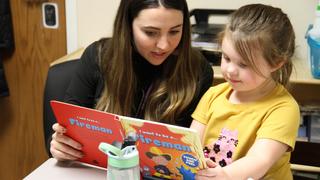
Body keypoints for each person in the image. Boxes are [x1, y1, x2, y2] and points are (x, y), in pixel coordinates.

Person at [49, 0, 213, 162]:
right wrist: (60, 146)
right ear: (127, 26)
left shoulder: (198, 71)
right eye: (150, 32)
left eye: (174, 31)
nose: (164, 45)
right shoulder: (98, 57)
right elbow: (68, 128)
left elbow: (192, 151)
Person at [190, 4, 300, 179]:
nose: (231, 70)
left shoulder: (284, 109)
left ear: (276, 63)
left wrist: (224, 175)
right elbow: (191, 142)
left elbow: (260, 160)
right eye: (226, 58)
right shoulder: (213, 94)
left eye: (243, 64)